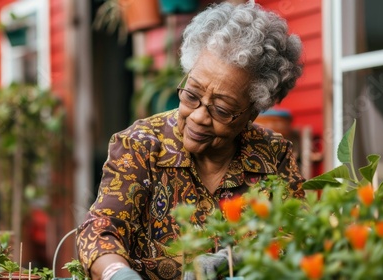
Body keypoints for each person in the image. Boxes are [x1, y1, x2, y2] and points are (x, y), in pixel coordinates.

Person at [76, 2, 305, 279]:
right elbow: (101, 228)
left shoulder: (273, 154)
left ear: (252, 112)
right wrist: (117, 273)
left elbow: (298, 233)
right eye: (192, 94)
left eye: (221, 110)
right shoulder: (140, 145)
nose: (198, 117)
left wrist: (237, 259)